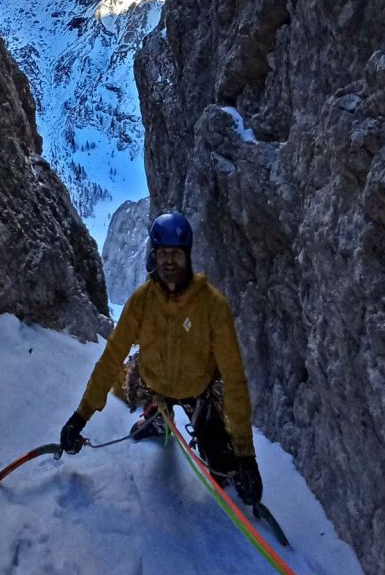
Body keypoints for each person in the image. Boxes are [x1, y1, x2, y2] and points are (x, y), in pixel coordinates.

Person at [59, 211, 263, 506]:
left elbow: (234, 378)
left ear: (188, 256)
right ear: (154, 256)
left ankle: (169, 417)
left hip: (199, 389)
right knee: (129, 377)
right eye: (162, 253)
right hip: (152, 380)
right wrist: (80, 417)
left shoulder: (212, 306)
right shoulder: (141, 302)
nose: (169, 261)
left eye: (176, 254)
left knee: (224, 471)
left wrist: (246, 457)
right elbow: (111, 359)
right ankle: (157, 412)